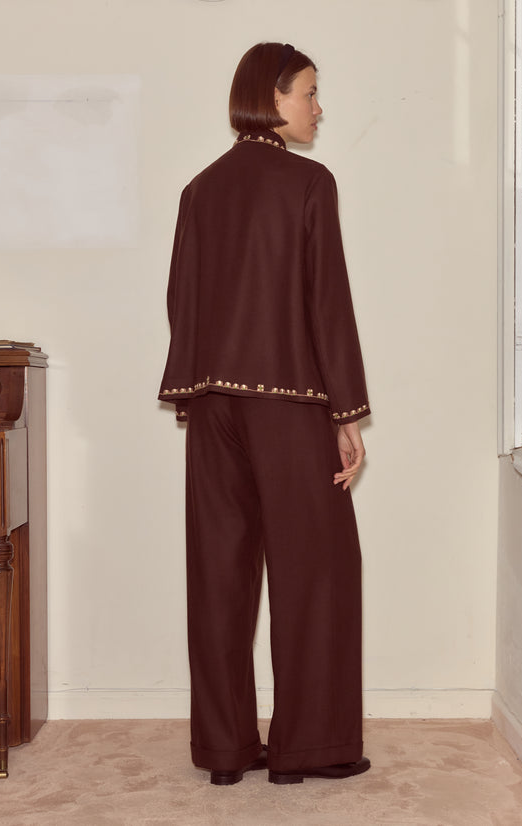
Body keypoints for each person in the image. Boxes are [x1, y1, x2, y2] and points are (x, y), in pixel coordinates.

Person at [159, 42, 371, 786]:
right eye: (310, 92)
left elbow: (180, 301)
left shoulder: (200, 190)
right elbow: (327, 304)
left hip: (213, 406)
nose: (318, 107)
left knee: (219, 576)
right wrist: (346, 412)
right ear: (272, 96)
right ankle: (307, 750)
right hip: (290, 407)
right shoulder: (309, 182)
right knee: (318, 571)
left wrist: (193, 394)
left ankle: (224, 752)